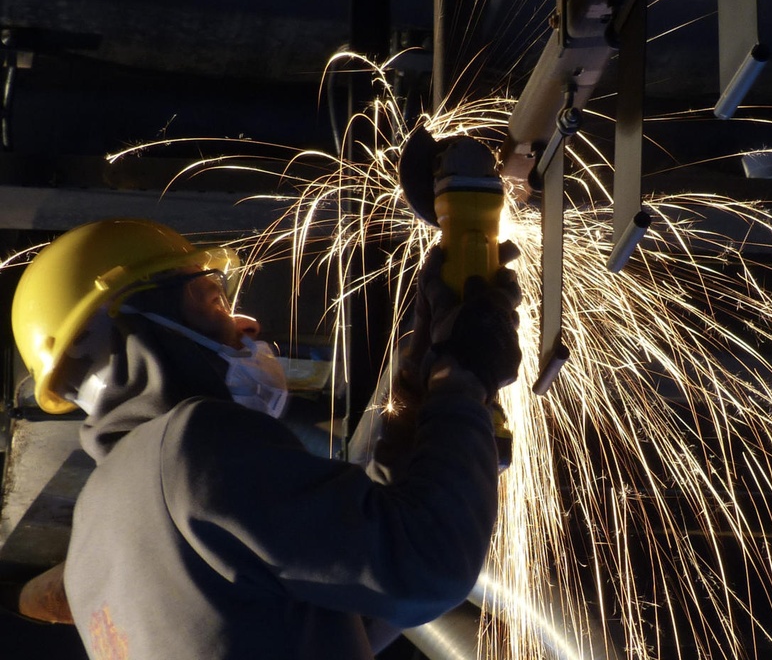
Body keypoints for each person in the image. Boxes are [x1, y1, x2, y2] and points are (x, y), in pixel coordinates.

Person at [9, 217, 521, 659]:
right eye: (209, 299)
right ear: (137, 329)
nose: (247, 323)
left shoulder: (96, 537)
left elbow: (340, 612)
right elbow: (426, 565)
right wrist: (462, 382)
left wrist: (421, 397)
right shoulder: (187, 445)